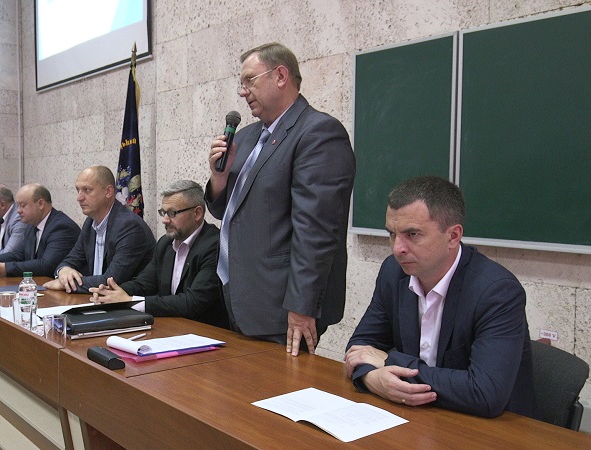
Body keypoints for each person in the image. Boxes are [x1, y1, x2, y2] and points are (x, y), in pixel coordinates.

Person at [344, 176, 539, 419]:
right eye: (392, 234)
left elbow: (485, 393)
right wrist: (371, 378)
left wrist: (390, 362)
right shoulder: (393, 273)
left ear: (453, 236)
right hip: (423, 417)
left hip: (490, 428)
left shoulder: (496, 292)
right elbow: (360, 347)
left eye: (412, 234)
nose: (397, 248)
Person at [206, 42, 355, 355]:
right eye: (241, 83)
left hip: (281, 308)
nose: (243, 91)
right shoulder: (244, 137)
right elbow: (225, 211)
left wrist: (302, 306)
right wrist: (219, 178)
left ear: (281, 76)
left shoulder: (318, 133)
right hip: (238, 295)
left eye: (249, 80)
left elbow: (316, 232)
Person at [89, 180, 228, 329]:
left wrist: (130, 301)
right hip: (172, 328)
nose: (165, 220)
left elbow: (193, 302)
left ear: (197, 213)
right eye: (163, 212)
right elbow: (144, 284)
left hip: (209, 332)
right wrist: (113, 293)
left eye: (172, 213)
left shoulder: (215, 246)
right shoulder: (165, 243)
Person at [44, 166, 155, 294]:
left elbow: (111, 281)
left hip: (129, 303)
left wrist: (64, 284)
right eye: (78, 190)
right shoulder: (90, 223)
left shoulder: (129, 226)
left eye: (87, 190)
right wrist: (63, 270)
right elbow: (70, 260)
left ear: (108, 191)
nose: (79, 197)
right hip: (98, 300)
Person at [0, 183, 80, 278]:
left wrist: (3, 268)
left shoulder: (61, 227)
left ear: (40, 204)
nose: (18, 211)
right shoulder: (31, 225)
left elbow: (46, 265)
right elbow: (19, 255)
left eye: (23, 205)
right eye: (18, 206)